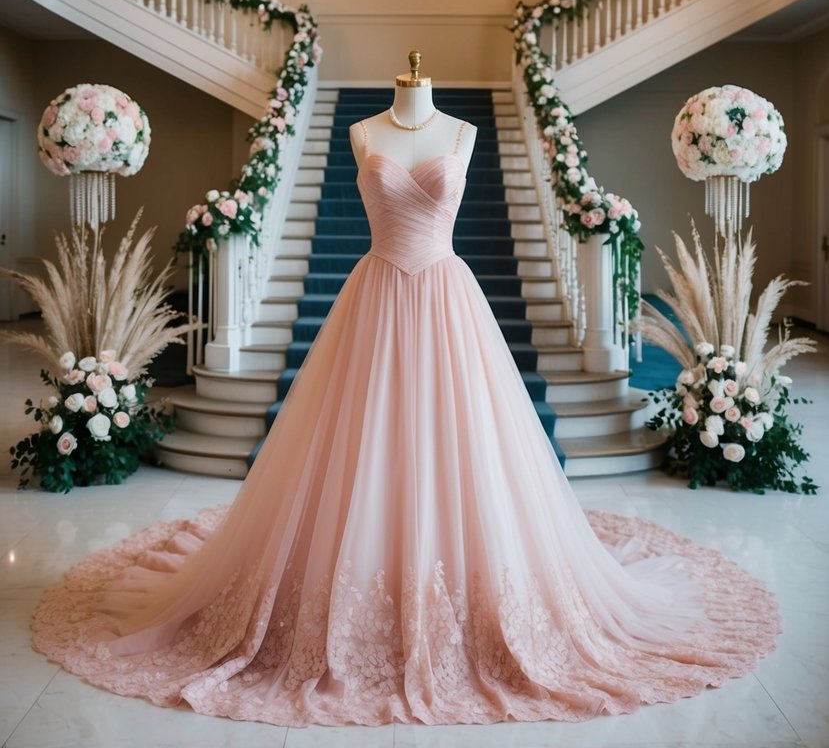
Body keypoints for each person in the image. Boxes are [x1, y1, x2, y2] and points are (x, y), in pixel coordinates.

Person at [31, 54, 780, 727]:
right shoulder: (361, 131)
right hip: (376, 294)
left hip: (448, 298)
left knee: (462, 445)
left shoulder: (461, 133)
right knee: (362, 442)